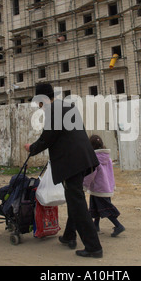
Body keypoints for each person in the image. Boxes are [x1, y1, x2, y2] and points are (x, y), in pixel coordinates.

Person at [24, 83, 102, 258]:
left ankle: (93, 246)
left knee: (77, 202)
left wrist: (32, 148)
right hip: (82, 158)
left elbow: (48, 138)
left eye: (39, 103)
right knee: (74, 197)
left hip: (71, 161)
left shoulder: (53, 110)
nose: (39, 107)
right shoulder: (67, 106)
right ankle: (69, 235)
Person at [83, 135, 125, 237]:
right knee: (96, 207)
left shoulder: (94, 160)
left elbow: (91, 175)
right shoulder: (108, 158)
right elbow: (110, 173)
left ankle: (118, 225)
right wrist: (112, 185)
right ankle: (96, 225)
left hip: (98, 188)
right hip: (105, 188)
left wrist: (84, 185)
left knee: (105, 208)